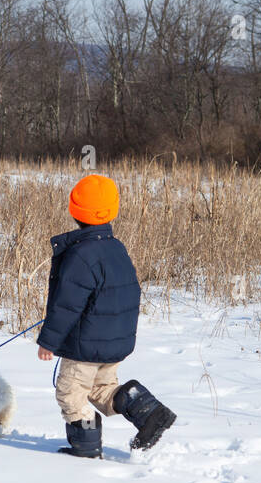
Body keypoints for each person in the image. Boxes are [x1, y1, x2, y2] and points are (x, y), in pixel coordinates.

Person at [36, 173, 176, 458]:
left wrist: (48, 341)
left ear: (75, 210)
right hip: (112, 343)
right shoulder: (116, 248)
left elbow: (67, 305)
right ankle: (148, 412)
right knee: (102, 389)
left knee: (71, 393)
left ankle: (85, 450)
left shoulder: (80, 255)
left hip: (84, 346)